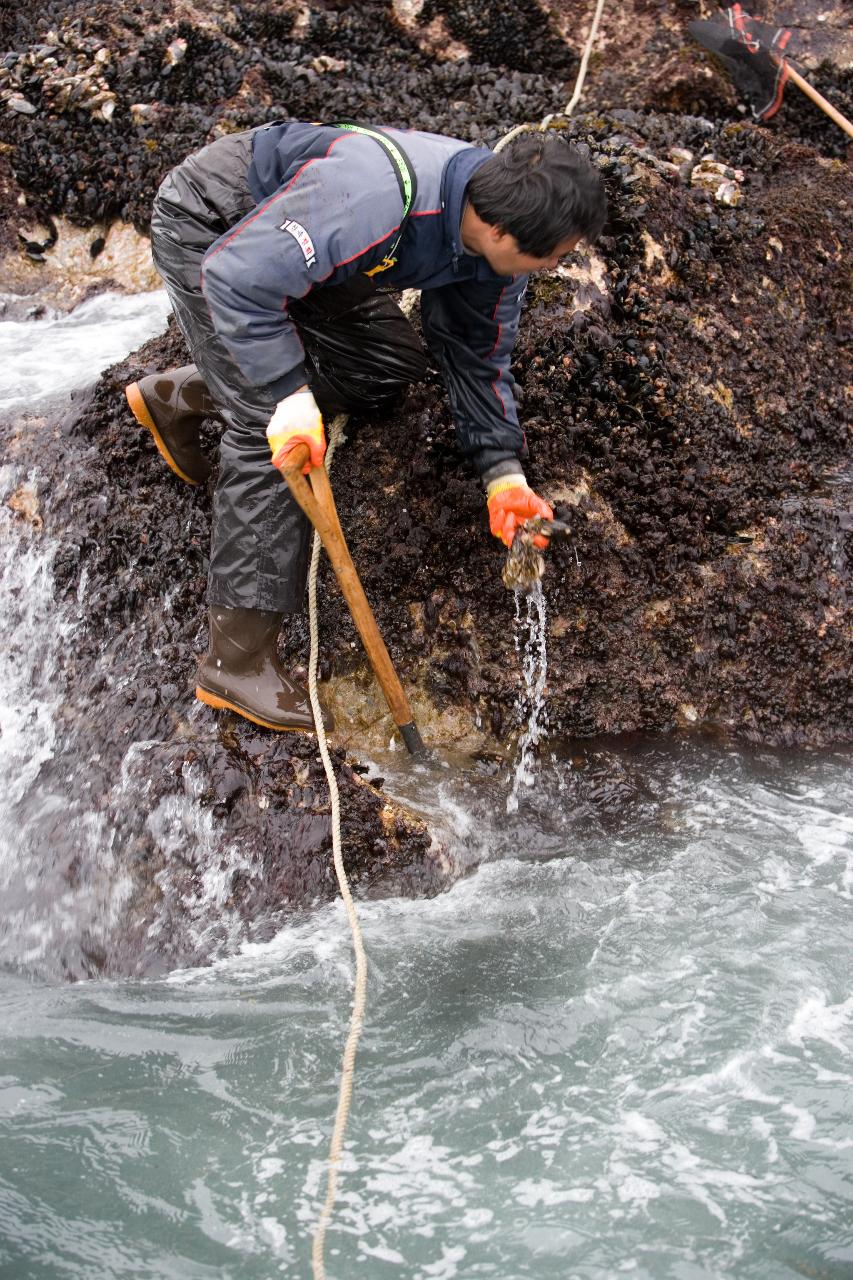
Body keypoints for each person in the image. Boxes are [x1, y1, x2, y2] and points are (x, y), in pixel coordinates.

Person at [126, 121, 607, 733]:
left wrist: (501, 475)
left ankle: (180, 394)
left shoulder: (492, 251)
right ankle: (237, 662)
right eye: (556, 254)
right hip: (214, 223)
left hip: (291, 243)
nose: (557, 265)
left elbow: (474, 353)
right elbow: (239, 276)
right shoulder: (373, 195)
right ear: (501, 230)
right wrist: (284, 396)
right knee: (267, 426)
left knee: (385, 370)